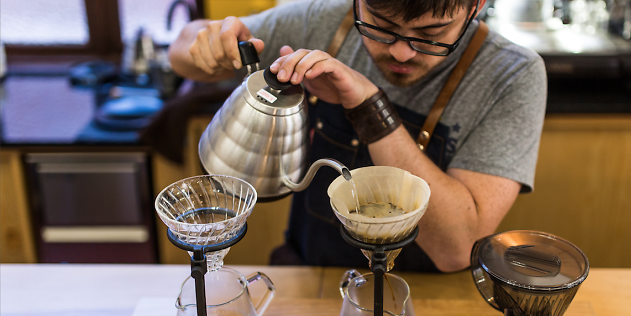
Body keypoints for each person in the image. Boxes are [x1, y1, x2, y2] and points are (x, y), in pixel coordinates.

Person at [169, 0, 547, 272]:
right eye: (381, 25)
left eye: (431, 34)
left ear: (475, 6)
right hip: (310, 278)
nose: (401, 50)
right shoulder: (325, 22)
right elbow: (182, 49)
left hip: (426, 297)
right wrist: (209, 43)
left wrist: (368, 106)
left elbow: (456, 247)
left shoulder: (512, 75)